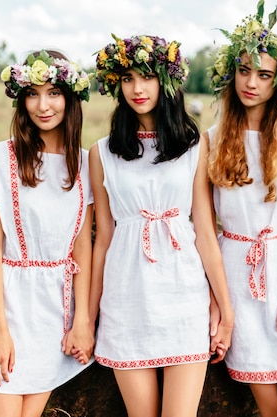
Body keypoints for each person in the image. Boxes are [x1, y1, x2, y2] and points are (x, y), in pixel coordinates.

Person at [89, 34, 234, 417]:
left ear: (167, 81)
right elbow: (103, 239)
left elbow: (204, 231)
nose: (137, 88)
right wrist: (87, 320)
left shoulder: (194, 146)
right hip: (126, 298)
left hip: (183, 296)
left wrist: (224, 309)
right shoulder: (101, 153)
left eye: (147, 77)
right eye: (127, 79)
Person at [204, 1, 277, 416]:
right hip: (237, 275)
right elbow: (205, 227)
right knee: (270, 409)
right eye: (244, 70)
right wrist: (220, 305)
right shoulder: (213, 138)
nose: (251, 82)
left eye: (265, 74)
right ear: (231, 72)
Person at [0, 49, 94, 417]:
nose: (43, 105)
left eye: (54, 92)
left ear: (70, 98)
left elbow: (82, 250)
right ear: (21, 100)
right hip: (9, 305)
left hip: (55, 311)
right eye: (32, 93)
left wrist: (81, 321)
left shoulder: (85, 164)